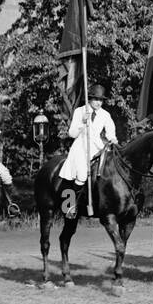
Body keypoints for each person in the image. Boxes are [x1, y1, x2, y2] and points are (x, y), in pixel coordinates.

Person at [55, 84, 117, 219]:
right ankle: (71, 205)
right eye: (96, 99)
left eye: (101, 100)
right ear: (90, 99)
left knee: (108, 172)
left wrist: (113, 139)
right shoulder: (79, 111)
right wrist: (82, 122)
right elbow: (72, 133)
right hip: (81, 147)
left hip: (97, 147)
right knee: (82, 175)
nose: (98, 103)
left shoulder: (105, 115)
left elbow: (110, 131)